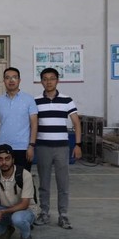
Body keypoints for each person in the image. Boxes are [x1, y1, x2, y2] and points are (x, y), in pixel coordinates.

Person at [34, 67, 82, 230]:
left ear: (57, 80)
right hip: (43, 147)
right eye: (45, 79)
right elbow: (32, 124)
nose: (49, 82)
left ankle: (63, 215)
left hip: (62, 148)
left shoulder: (67, 100)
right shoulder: (35, 101)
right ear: (41, 81)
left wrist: (78, 144)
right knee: (44, 183)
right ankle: (44, 213)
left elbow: (76, 123)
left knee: (63, 183)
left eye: (52, 78)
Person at [0, 67, 38, 171]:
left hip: (23, 147)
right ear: (4, 81)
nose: (11, 80)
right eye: (7, 78)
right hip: (2, 147)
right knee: (2, 178)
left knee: (22, 178)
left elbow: (34, 124)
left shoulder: (29, 99)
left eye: (14, 77)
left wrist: (31, 146)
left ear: (19, 80)